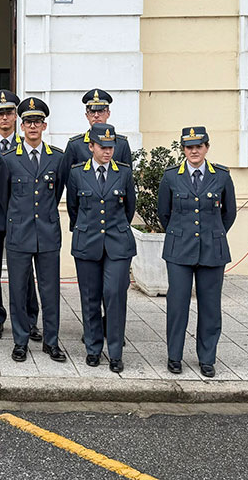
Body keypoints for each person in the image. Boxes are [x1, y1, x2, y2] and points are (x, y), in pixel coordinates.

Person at [157, 126, 237, 378]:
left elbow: (229, 214)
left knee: (210, 307)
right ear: (183, 149)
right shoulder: (171, 177)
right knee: (177, 304)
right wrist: (180, 233)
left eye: (198, 146)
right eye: (189, 147)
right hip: (179, 250)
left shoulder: (221, 176)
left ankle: (207, 358)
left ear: (206, 148)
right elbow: (164, 213)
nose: (194, 151)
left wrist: (212, 233)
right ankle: (174, 356)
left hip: (212, 250)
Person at [0, 97, 68, 363]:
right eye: (28, 122)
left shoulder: (57, 158)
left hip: (48, 233)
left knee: (50, 291)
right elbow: (4, 197)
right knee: (17, 290)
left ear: (44, 125)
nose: (33, 127)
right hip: (19, 233)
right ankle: (20, 341)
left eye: (37, 122)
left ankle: (51, 342)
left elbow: (58, 190)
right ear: (22, 126)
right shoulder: (9, 159)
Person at [66, 123, 136, 372]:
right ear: (91, 147)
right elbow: (73, 207)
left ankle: (115, 352)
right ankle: (93, 349)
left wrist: (115, 230)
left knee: (115, 295)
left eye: (111, 146)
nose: (107, 151)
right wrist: (86, 228)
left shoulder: (124, 172)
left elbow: (129, 208)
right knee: (90, 297)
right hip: (87, 241)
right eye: (102, 146)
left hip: (118, 243)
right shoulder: (76, 173)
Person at [0, 89, 41, 342]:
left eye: (9, 112)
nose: (5, 117)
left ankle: (30, 319)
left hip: (21, 217)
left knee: (25, 273)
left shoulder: (26, 145)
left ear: (16, 116)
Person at [62, 89, 132, 187]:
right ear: (86, 115)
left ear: (108, 113)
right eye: (92, 111)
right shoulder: (75, 145)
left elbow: (127, 179)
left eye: (100, 111)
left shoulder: (121, 144)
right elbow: (67, 179)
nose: (96, 115)